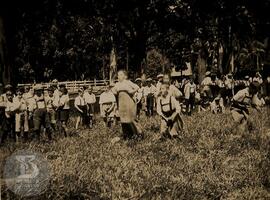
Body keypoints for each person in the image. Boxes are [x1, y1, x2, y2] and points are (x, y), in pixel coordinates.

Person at [112, 70, 142, 140]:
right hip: (121, 104)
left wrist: (131, 92)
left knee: (131, 119)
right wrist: (115, 92)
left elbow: (137, 87)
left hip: (129, 103)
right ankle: (127, 135)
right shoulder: (117, 84)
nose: (119, 76)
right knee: (123, 120)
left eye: (121, 75)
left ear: (125, 76)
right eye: (118, 75)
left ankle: (138, 134)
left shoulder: (128, 82)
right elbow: (113, 90)